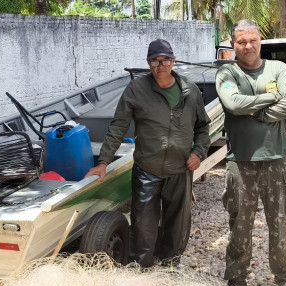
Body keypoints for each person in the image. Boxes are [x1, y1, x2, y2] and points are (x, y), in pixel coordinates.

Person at [85, 39, 211, 267]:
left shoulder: (190, 91)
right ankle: (142, 267)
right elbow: (118, 127)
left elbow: (202, 127)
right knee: (143, 225)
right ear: (148, 62)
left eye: (165, 60)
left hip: (180, 169)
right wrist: (103, 162)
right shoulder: (136, 89)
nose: (160, 66)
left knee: (177, 224)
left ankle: (171, 265)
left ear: (173, 61)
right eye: (155, 61)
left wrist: (199, 152)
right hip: (147, 170)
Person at [215, 20, 286, 286]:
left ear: (260, 40)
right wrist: (269, 97)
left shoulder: (277, 68)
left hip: (277, 157)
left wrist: (261, 113)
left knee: (280, 222)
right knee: (239, 222)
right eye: (241, 42)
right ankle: (236, 277)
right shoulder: (227, 71)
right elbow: (232, 104)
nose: (248, 46)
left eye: (252, 40)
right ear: (233, 44)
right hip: (241, 160)